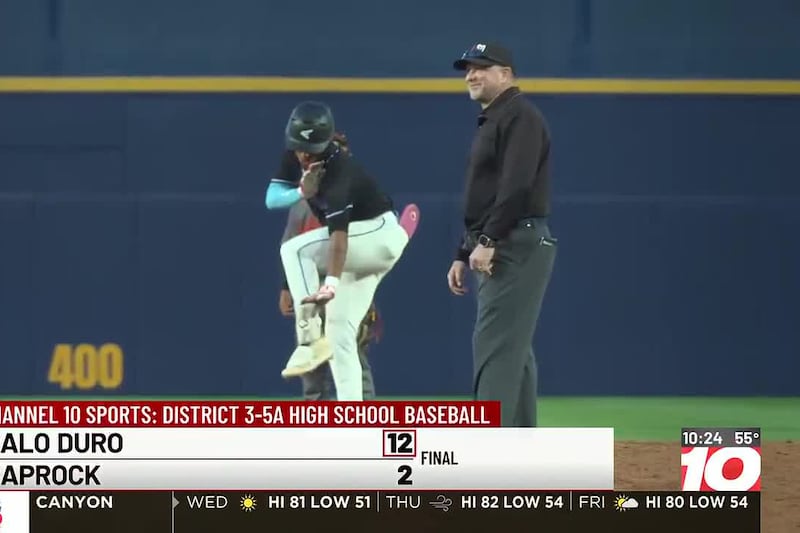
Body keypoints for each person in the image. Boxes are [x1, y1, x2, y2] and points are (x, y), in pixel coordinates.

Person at [265, 101, 409, 401]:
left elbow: (338, 240)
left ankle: (307, 339)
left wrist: (330, 285)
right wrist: (301, 192)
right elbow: (272, 198)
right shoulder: (294, 157)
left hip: (375, 236)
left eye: (314, 148)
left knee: (295, 250)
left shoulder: (339, 170)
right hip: (359, 250)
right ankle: (353, 422)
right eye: (300, 146)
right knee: (340, 336)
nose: (305, 154)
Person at [447, 42, 558, 427]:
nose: (471, 75)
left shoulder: (521, 116)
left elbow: (516, 187)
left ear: (506, 74)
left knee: (495, 346)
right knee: (513, 348)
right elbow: (485, 194)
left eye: (482, 67)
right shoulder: (496, 119)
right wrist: (464, 250)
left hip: (514, 241)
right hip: (504, 240)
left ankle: (490, 451)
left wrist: (488, 241)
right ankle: (522, 445)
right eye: (467, 69)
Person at [278, 152, 381, 400]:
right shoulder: (303, 203)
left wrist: (368, 300)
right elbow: (291, 241)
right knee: (311, 363)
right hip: (312, 289)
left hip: (345, 285)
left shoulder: (357, 199)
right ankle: (318, 430)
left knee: (351, 354)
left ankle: (364, 420)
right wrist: (286, 287)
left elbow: (367, 253)